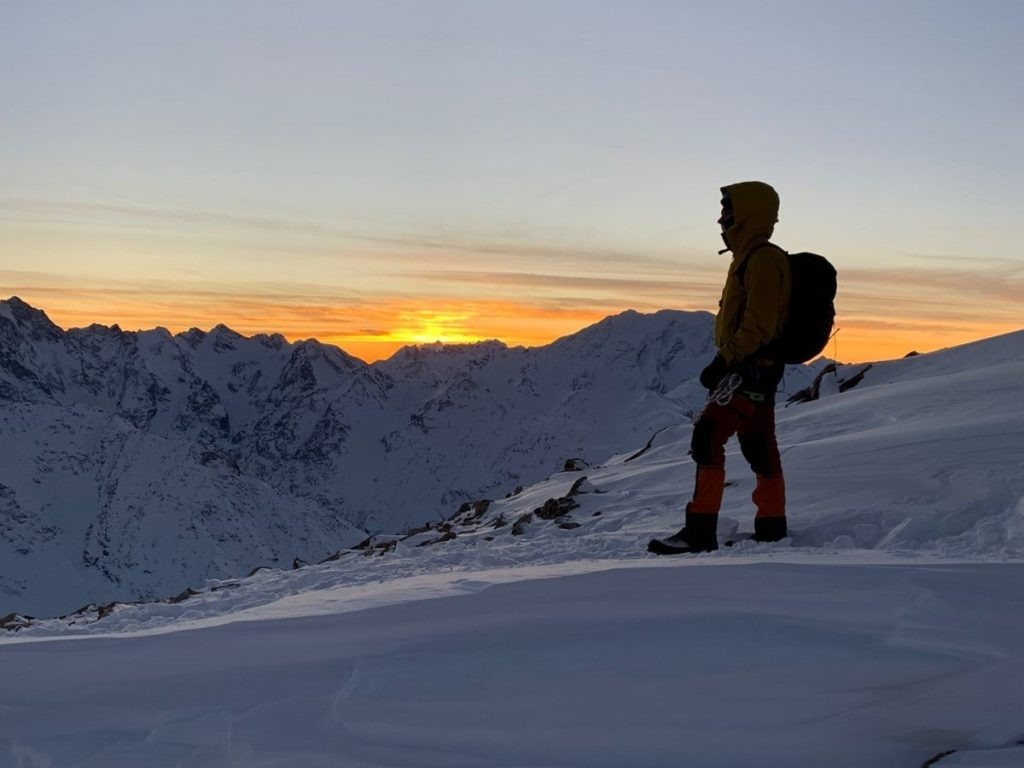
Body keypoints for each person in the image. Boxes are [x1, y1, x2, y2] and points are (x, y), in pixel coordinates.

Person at [653, 181, 791, 554]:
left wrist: (724, 360)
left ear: (746, 214)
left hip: (747, 369)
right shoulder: (749, 259)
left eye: (727, 211)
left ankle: (699, 531)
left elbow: (759, 325)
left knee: (708, 436)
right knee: (759, 445)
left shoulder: (762, 260)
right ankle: (772, 526)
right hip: (759, 369)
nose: (721, 219)